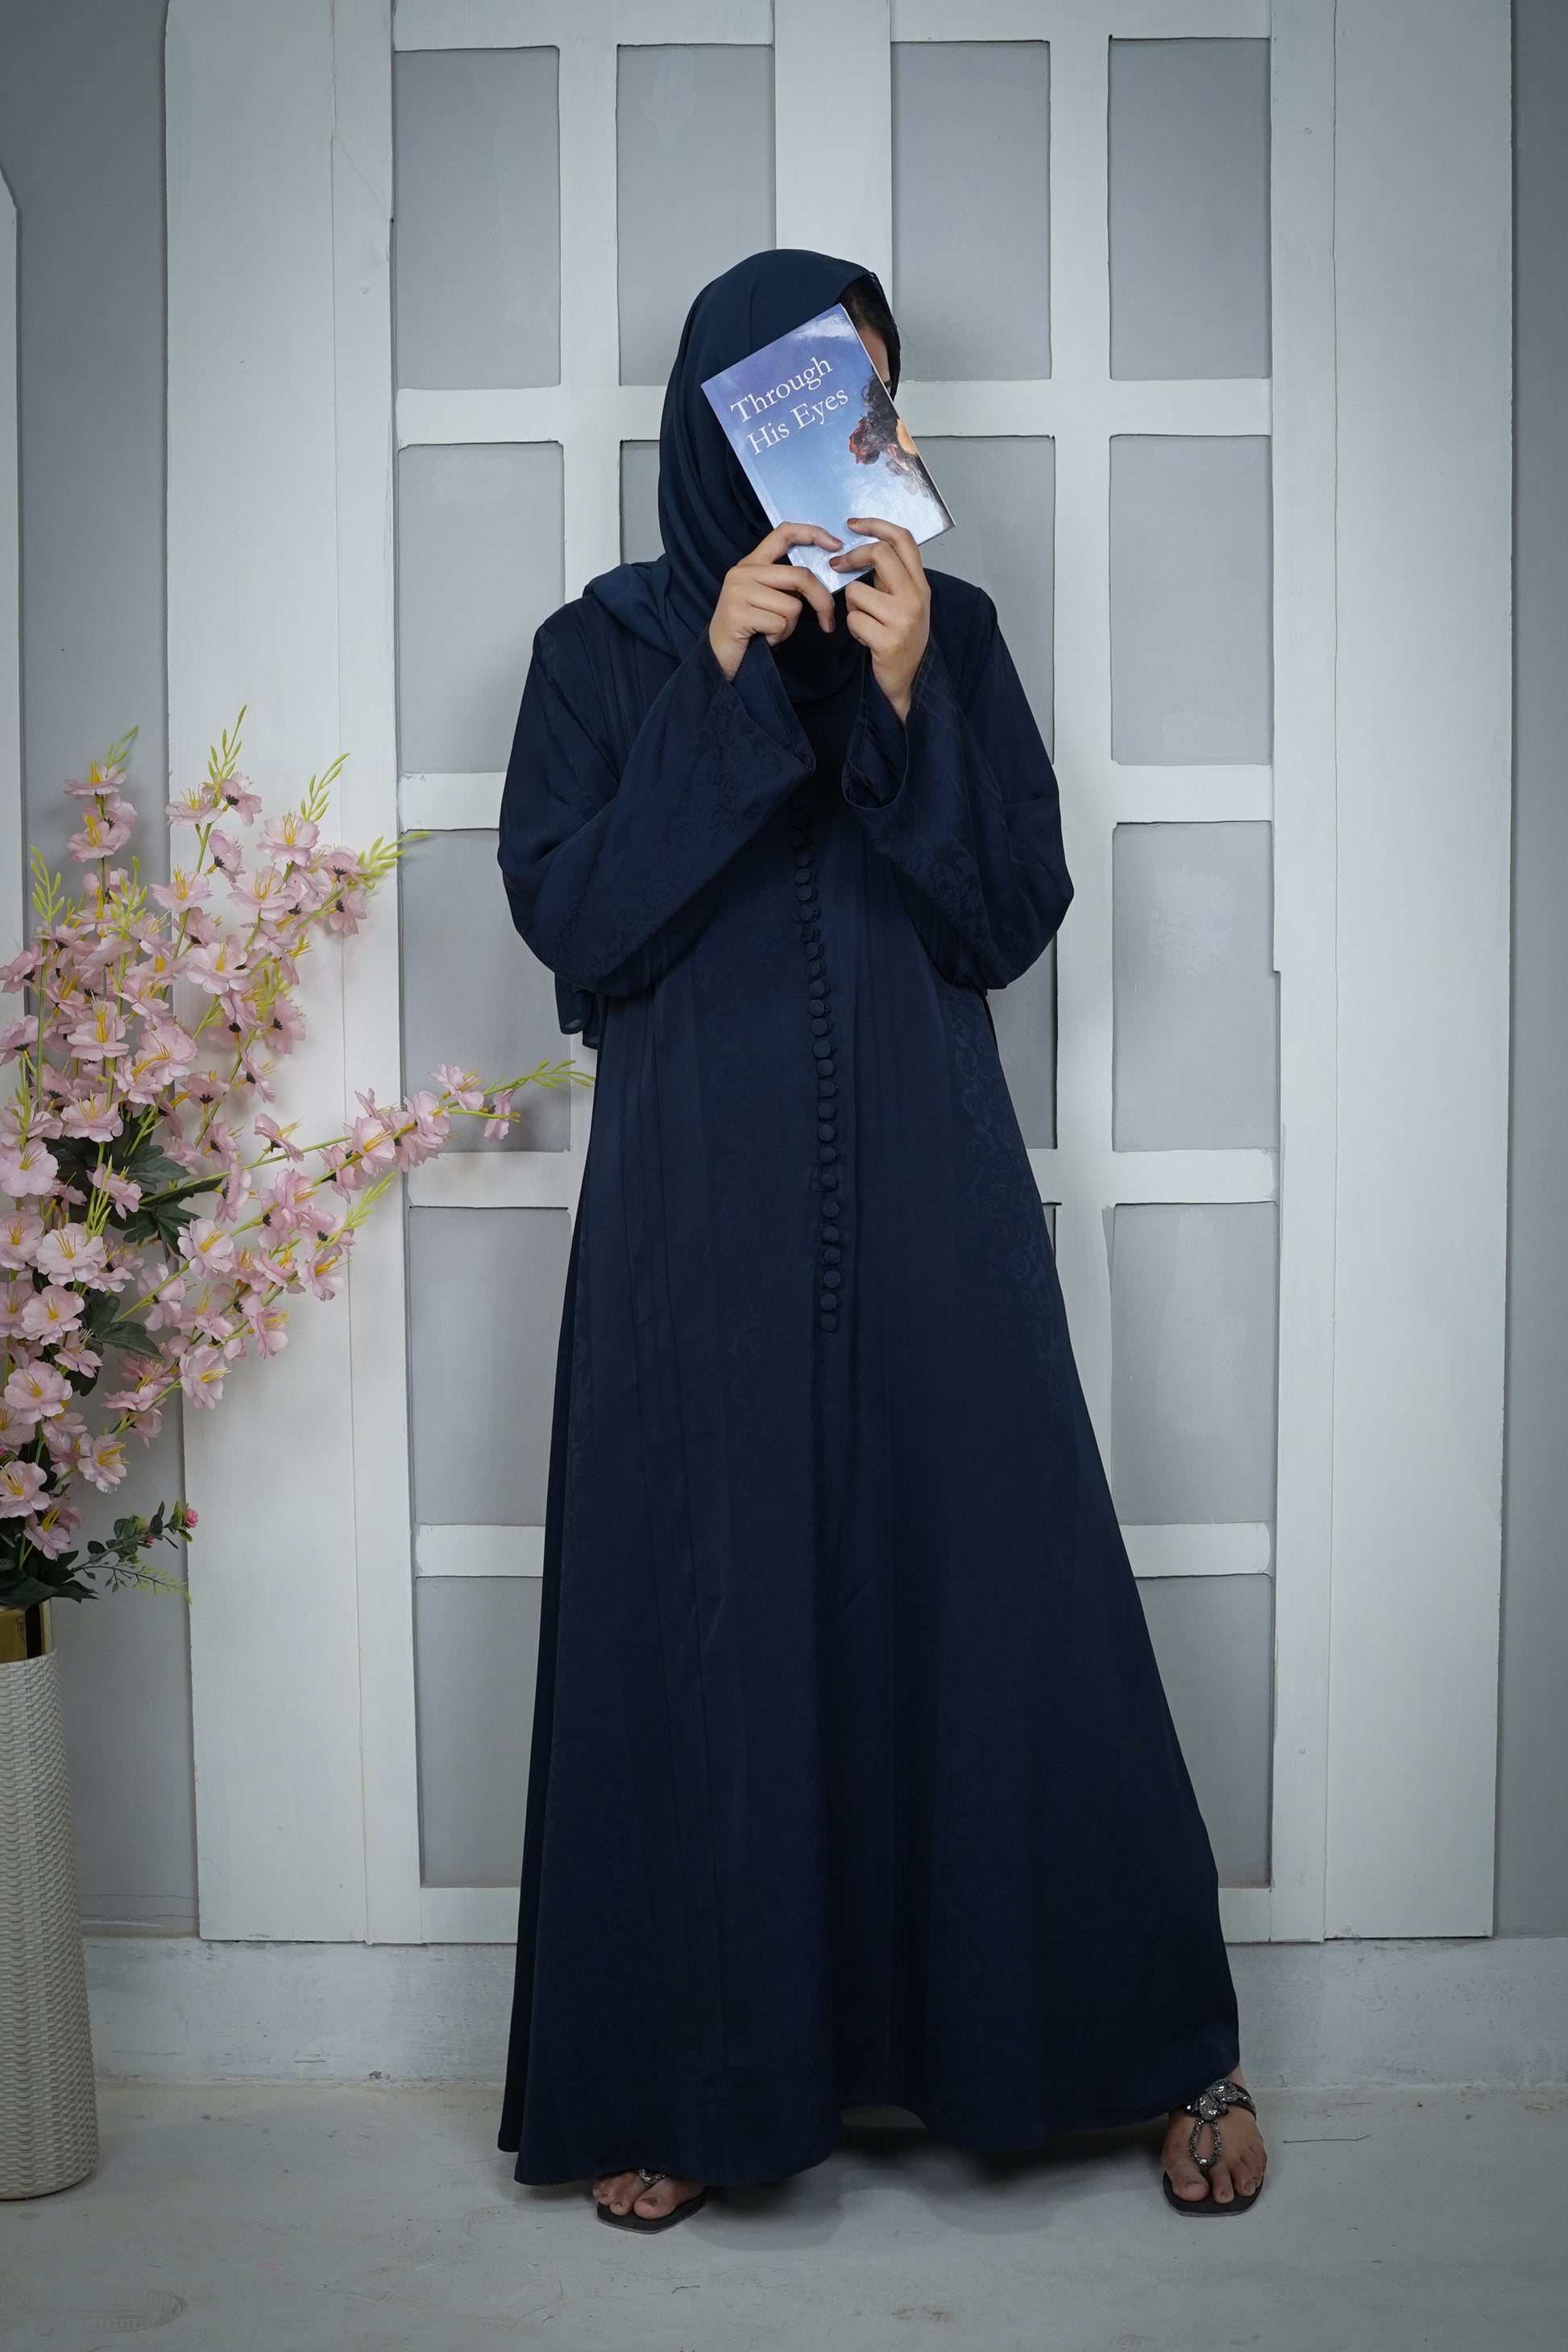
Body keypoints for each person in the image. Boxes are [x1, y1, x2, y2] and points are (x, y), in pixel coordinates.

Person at [494, 248, 1269, 2230]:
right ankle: (687, 2075)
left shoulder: (957, 630)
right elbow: (580, 924)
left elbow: (1003, 918)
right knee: (706, 1616)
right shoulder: (601, 652)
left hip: (932, 1194)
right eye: (788, 405)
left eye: (863, 402)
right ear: (714, 422)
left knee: (1011, 1595)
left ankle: (1155, 2042)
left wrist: (907, 692)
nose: (832, 439)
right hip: (692, 1217)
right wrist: (721, 683)